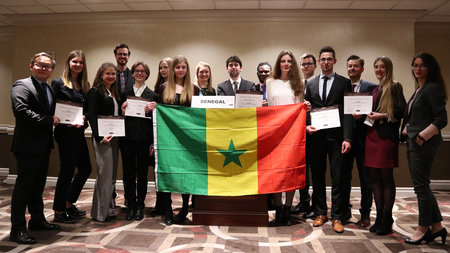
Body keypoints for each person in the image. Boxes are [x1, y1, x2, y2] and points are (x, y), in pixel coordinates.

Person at [10, 52, 61, 244]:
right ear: (31, 65)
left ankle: (37, 220)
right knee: (23, 189)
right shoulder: (22, 85)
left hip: (43, 146)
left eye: (48, 66)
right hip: (27, 146)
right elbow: (21, 111)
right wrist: (50, 121)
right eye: (40, 65)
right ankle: (17, 229)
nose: (44, 68)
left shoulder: (48, 89)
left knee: (37, 187)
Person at [304, 46, 353, 233]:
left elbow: (348, 112)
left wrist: (348, 137)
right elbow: (307, 110)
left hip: (337, 137)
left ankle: (338, 216)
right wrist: (307, 124)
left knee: (338, 177)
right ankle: (320, 212)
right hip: (316, 136)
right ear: (319, 62)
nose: (326, 62)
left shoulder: (344, 82)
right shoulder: (311, 83)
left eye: (329, 59)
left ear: (334, 61)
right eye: (323, 59)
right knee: (317, 176)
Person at [402, 53, 447, 245]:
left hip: (423, 145)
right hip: (414, 143)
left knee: (420, 187)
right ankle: (437, 227)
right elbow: (415, 117)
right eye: (415, 65)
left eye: (422, 65)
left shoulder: (432, 88)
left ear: (430, 68)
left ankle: (422, 228)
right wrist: (407, 131)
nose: (417, 69)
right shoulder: (420, 89)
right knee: (423, 186)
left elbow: (441, 119)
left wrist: (421, 136)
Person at [365, 56, 406, 235]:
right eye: (376, 67)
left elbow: (400, 111)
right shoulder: (376, 88)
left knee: (386, 177)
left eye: (382, 67)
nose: (379, 70)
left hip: (386, 137)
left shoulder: (395, 86)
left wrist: (380, 116)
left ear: (388, 68)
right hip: (372, 135)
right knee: (374, 178)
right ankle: (379, 216)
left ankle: (387, 218)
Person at [158, 55, 200, 225]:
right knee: (168, 173)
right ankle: (167, 210)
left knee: (185, 174)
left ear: (187, 70)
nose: (180, 70)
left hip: (187, 139)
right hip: (167, 138)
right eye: (177, 67)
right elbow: (158, 115)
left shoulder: (194, 89)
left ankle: (184, 208)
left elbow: (198, 115)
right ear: (172, 69)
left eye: (183, 67)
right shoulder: (163, 88)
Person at [51, 50, 92, 224]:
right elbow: (51, 106)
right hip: (65, 133)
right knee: (66, 171)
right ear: (68, 63)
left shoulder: (84, 85)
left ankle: (68, 203)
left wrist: (84, 117)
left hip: (78, 132)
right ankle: (59, 211)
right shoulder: (58, 83)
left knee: (86, 168)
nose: (78, 65)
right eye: (75, 61)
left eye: (81, 62)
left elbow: (87, 109)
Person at [266, 50, 305, 225]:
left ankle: (288, 210)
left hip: (292, 133)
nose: (286, 64)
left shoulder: (300, 82)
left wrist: (306, 106)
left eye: (289, 61)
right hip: (275, 133)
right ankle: (278, 208)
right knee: (276, 173)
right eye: (283, 61)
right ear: (279, 63)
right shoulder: (270, 82)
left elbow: (299, 108)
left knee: (290, 173)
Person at [343, 55, 377, 227]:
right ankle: (346, 209)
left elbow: (376, 114)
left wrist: (364, 116)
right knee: (344, 177)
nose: (352, 69)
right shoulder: (342, 86)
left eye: (356, 66)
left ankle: (365, 214)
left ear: (362, 68)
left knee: (366, 178)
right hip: (345, 139)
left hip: (365, 138)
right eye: (349, 66)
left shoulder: (372, 87)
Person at [121, 62, 157, 221]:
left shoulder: (152, 95)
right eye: (137, 71)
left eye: (143, 71)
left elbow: (154, 122)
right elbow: (119, 118)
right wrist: (122, 111)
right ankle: (131, 204)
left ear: (147, 74)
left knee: (142, 173)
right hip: (127, 138)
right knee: (128, 173)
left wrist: (152, 143)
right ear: (133, 74)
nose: (140, 73)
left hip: (144, 140)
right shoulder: (125, 93)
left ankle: (140, 204)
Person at [87, 62, 121, 222]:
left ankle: (108, 209)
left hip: (114, 138)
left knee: (111, 175)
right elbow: (92, 115)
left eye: (113, 74)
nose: (111, 76)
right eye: (108, 73)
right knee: (104, 175)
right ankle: (100, 213)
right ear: (101, 75)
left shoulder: (114, 93)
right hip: (103, 139)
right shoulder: (95, 91)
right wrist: (99, 136)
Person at [292, 53, 317, 217]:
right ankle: (303, 201)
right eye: (303, 64)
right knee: (303, 169)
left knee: (317, 169)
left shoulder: (319, 83)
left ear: (315, 65)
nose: (306, 66)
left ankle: (317, 204)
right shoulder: (297, 85)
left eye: (309, 63)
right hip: (301, 131)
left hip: (318, 129)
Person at [151, 57, 173, 216]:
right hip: (160, 135)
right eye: (161, 68)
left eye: (166, 67)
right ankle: (160, 204)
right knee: (159, 170)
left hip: (173, 136)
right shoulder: (159, 88)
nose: (163, 70)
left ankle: (167, 205)